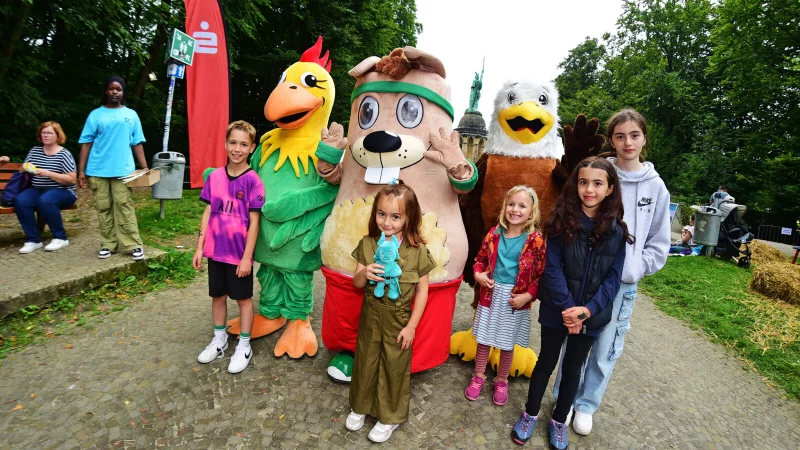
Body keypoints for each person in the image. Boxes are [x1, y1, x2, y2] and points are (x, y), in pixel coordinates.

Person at [511, 157, 632, 449]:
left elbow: (613, 280)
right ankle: (530, 413)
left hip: (592, 316)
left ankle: (558, 420)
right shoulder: (559, 223)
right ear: (575, 185)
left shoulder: (617, 232)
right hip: (557, 311)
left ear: (610, 188)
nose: (589, 189)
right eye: (583, 182)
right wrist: (568, 309)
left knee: (573, 371)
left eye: (597, 183)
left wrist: (587, 311)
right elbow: (551, 269)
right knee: (545, 364)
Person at [564, 109, 670, 436]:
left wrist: (636, 267)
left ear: (644, 139)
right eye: (620, 136)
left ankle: (586, 405)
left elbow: (659, 240)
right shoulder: (600, 173)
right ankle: (564, 399)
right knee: (576, 342)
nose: (627, 142)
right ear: (611, 139)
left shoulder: (656, 187)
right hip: (589, 279)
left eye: (634, 135)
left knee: (606, 349)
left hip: (622, 286)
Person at [345, 180, 436, 443]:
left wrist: (411, 327)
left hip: (399, 319)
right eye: (382, 214)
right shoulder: (367, 243)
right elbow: (356, 283)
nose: (387, 222)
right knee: (366, 360)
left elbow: (422, 292)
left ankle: (390, 417)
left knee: (394, 366)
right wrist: (364, 271)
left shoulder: (418, 251)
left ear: (409, 218)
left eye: (396, 216)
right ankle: (360, 406)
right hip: (371, 315)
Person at [192, 121, 264, 374]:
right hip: (215, 251)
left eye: (243, 144)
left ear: (252, 148)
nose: (237, 148)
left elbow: (254, 223)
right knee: (218, 296)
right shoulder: (215, 177)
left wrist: (247, 258)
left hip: (238, 255)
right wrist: (200, 247)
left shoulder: (253, 181)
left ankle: (244, 344)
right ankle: (219, 339)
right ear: (225, 144)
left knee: (243, 299)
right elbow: (208, 211)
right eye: (233, 142)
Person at [465, 185, 546, 406]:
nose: (515, 209)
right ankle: (479, 375)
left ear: (531, 212)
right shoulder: (494, 234)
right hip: (490, 295)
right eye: (511, 204)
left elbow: (541, 274)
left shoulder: (536, 240)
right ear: (504, 207)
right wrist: (478, 274)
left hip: (515, 300)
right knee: (484, 339)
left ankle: (502, 379)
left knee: (506, 343)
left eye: (522, 206)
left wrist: (527, 297)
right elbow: (480, 259)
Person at [77, 76, 148, 260]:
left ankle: (133, 244)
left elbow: (137, 143)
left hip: (123, 170)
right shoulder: (96, 115)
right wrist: (81, 170)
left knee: (124, 206)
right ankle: (108, 244)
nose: (115, 92)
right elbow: (86, 143)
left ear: (123, 92)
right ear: (106, 91)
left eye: (119, 89)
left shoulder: (131, 115)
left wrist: (145, 167)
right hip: (97, 169)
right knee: (103, 207)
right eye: (111, 88)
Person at [13, 121, 77, 253]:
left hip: (63, 190)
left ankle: (60, 238)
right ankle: (33, 240)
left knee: (46, 200)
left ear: (57, 135)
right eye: (43, 132)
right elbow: (21, 170)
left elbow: (71, 179)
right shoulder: (35, 151)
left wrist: (49, 173)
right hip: (37, 188)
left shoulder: (64, 154)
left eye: (49, 133)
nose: (45, 135)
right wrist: (25, 168)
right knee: (21, 200)